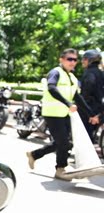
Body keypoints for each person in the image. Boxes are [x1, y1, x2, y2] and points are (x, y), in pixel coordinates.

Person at [26, 48, 95, 179]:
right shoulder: (55, 72)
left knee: (62, 142)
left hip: (65, 114)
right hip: (52, 114)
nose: (72, 62)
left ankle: (34, 155)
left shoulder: (72, 78)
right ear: (61, 60)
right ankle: (60, 169)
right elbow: (51, 88)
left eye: (75, 60)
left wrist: (90, 114)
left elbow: (77, 97)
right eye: (69, 59)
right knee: (63, 143)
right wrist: (68, 103)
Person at [77, 49, 104, 142]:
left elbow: (87, 92)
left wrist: (81, 103)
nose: (82, 61)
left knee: (84, 137)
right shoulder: (101, 73)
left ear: (90, 60)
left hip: (88, 110)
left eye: (84, 59)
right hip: (99, 109)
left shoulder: (89, 73)